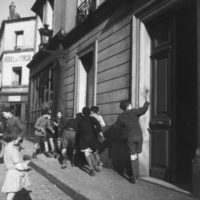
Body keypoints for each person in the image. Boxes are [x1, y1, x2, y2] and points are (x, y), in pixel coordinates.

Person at [116, 89, 150, 184]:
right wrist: (147, 100)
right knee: (137, 154)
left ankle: (134, 176)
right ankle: (137, 174)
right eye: (130, 104)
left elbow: (117, 126)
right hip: (139, 136)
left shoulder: (121, 116)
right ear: (128, 106)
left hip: (130, 137)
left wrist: (124, 129)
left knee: (132, 156)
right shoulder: (134, 112)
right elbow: (143, 109)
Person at [2, 134, 31, 200]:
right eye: (19, 140)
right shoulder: (14, 151)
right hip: (15, 174)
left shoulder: (7, 147)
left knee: (9, 191)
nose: (20, 142)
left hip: (10, 171)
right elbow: (18, 166)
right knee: (12, 193)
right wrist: (26, 166)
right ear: (14, 140)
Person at [76, 107, 102, 176]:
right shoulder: (92, 118)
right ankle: (99, 164)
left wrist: (77, 141)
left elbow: (78, 132)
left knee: (87, 154)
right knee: (95, 152)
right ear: (90, 112)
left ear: (83, 113)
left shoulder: (80, 120)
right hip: (92, 138)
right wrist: (98, 132)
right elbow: (98, 125)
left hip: (83, 139)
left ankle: (91, 169)